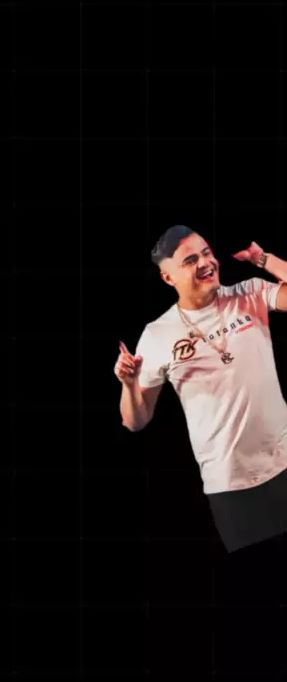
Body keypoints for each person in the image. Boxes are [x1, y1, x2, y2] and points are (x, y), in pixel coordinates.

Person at [114, 225, 287, 554]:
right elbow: (135, 421)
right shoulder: (156, 335)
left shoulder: (249, 293)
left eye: (206, 253)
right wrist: (129, 384)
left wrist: (264, 259)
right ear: (168, 278)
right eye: (191, 260)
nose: (206, 262)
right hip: (232, 487)